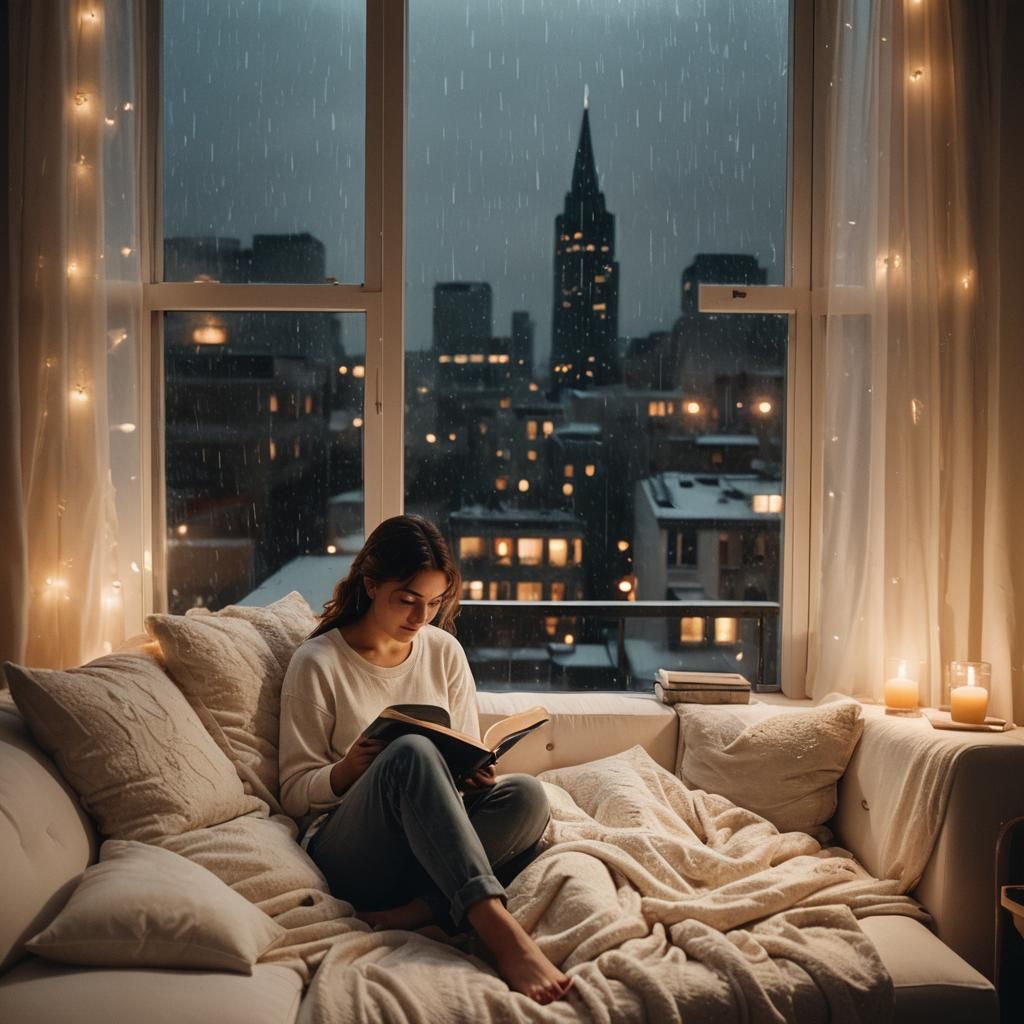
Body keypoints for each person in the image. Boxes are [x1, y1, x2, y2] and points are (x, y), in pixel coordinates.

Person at [278, 514, 572, 1005]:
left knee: (526, 794)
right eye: (407, 600)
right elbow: (291, 794)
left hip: (430, 844)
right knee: (410, 751)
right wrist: (345, 771)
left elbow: (463, 744)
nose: (421, 618)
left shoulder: (444, 652)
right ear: (371, 585)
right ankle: (495, 926)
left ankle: (418, 911)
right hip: (353, 851)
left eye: (435, 603)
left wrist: (474, 774)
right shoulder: (318, 663)